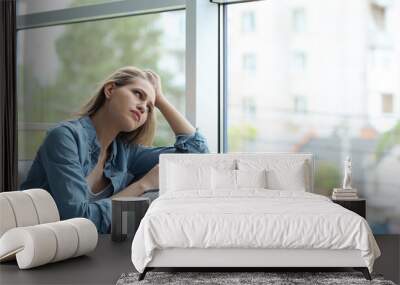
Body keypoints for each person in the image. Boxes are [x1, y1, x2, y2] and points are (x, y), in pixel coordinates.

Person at [20, 66, 209, 233]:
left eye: (150, 108)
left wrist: (160, 99)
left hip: (92, 254)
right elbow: (78, 221)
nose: (143, 107)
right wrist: (142, 185)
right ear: (110, 90)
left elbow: (196, 157)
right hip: (38, 256)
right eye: (138, 94)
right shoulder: (65, 138)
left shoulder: (126, 154)